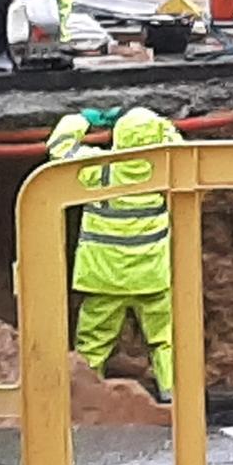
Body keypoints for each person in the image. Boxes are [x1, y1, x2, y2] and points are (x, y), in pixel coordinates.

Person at [47, 106, 181, 402]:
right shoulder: (166, 168)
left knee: (93, 342)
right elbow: (179, 144)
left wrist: (83, 119)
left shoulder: (100, 169)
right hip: (151, 276)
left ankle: (83, 397)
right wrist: (158, 125)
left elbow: (59, 147)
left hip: (104, 277)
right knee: (166, 340)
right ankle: (173, 396)